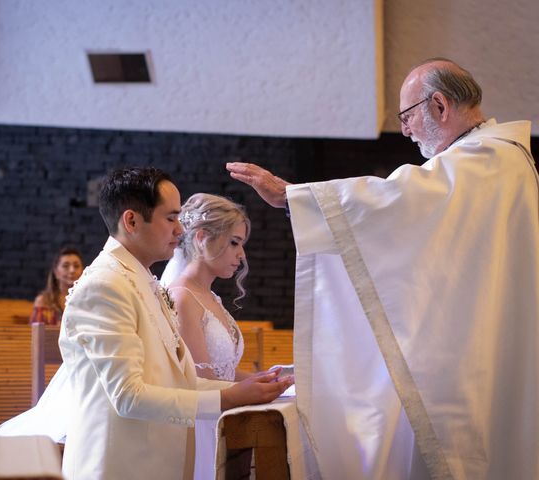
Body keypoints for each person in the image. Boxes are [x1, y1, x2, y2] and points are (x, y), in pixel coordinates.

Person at [227, 58, 538, 480]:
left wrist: (292, 198)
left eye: (407, 116)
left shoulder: (484, 161)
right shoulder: (494, 160)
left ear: (440, 105)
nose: (406, 129)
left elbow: (397, 200)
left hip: (470, 360)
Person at [59, 167, 293, 480]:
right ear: (131, 221)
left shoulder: (142, 280)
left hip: (158, 463)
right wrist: (228, 397)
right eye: (170, 218)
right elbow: (129, 396)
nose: (179, 230)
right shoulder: (105, 285)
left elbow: (174, 380)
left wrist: (244, 388)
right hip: (120, 467)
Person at [161, 192, 253, 381]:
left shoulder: (208, 296)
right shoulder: (182, 298)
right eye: (234, 243)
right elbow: (203, 382)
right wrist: (255, 390)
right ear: (202, 238)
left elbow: (226, 374)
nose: (242, 254)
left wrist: (266, 379)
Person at [29, 246, 84, 325]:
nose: (72, 270)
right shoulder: (43, 301)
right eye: (66, 266)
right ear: (56, 272)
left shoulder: (88, 300)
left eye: (76, 266)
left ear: (83, 271)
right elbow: (36, 334)